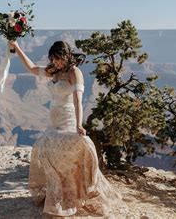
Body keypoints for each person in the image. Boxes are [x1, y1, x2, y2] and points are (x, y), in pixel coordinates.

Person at [10, 40, 128, 217]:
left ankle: (71, 195)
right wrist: (17, 46)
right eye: (53, 59)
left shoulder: (75, 73)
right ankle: (58, 193)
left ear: (65, 56)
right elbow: (32, 68)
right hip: (53, 120)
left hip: (68, 120)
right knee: (47, 152)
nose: (55, 62)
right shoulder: (54, 71)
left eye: (57, 59)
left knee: (66, 157)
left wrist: (79, 124)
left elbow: (77, 101)